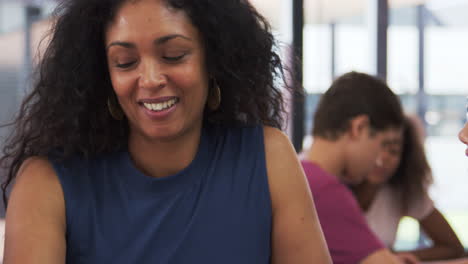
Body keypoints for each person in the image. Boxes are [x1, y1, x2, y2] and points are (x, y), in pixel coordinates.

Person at [0, 0, 331, 263]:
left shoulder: (268, 158)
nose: (151, 78)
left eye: (174, 55)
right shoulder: (47, 183)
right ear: (104, 77)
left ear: (214, 59)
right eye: (125, 62)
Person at [301, 71, 405, 264]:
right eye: (382, 144)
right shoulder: (323, 189)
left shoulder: (298, 174)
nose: (378, 160)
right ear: (359, 128)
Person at [353, 115, 464, 263]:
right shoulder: (332, 188)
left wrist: (393, 257)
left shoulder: (400, 190)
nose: (383, 157)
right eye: (377, 147)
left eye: (393, 151)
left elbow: (453, 248)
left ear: (404, 158)